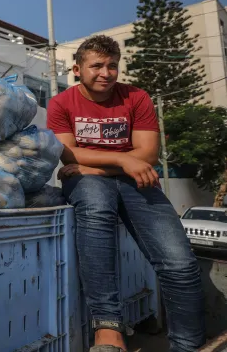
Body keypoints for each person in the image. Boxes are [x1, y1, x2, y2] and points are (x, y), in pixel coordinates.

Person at [46, 35, 205, 352]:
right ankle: (108, 328)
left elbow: (147, 155)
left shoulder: (137, 97)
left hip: (136, 181)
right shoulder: (61, 103)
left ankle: (188, 344)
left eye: (112, 66)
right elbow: (69, 155)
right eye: (96, 66)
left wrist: (100, 166)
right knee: (95, 206)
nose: (105, 73)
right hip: (91, 182)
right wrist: (121, 158)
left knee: (181, 264)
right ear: (77, 69)